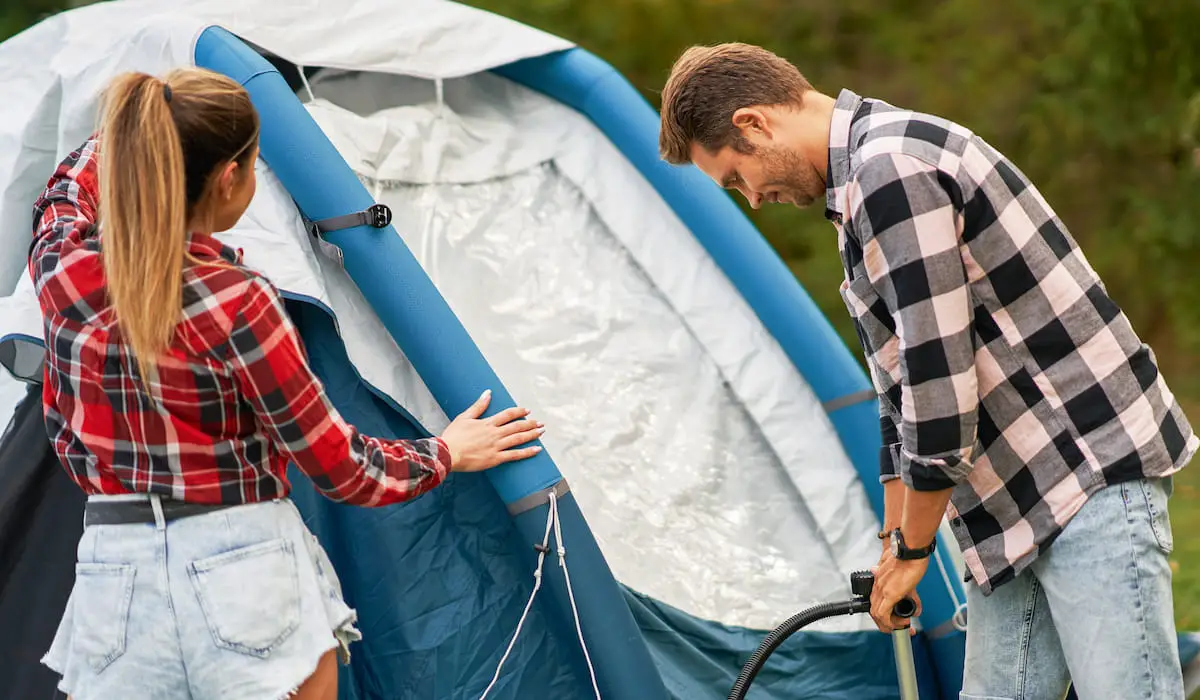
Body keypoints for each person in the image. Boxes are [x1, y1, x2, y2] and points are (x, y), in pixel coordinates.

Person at [657, 43, 1196, 699]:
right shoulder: (857, 193)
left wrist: (914, 554)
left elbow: (941, 390)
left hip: (1085, 473)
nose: (754, 200)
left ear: (754, 123)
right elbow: (900, 396)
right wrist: (892, 544)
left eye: (737, 178)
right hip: (1012, 506)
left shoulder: (892, 171)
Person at [32, 68, 546, 700]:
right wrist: (447, 452)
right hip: (242, 569)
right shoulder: (239, 301)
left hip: (115, 575)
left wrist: (152, 113)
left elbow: (62, 193)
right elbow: (340, 469)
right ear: (229, 179)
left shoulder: (61, 268)